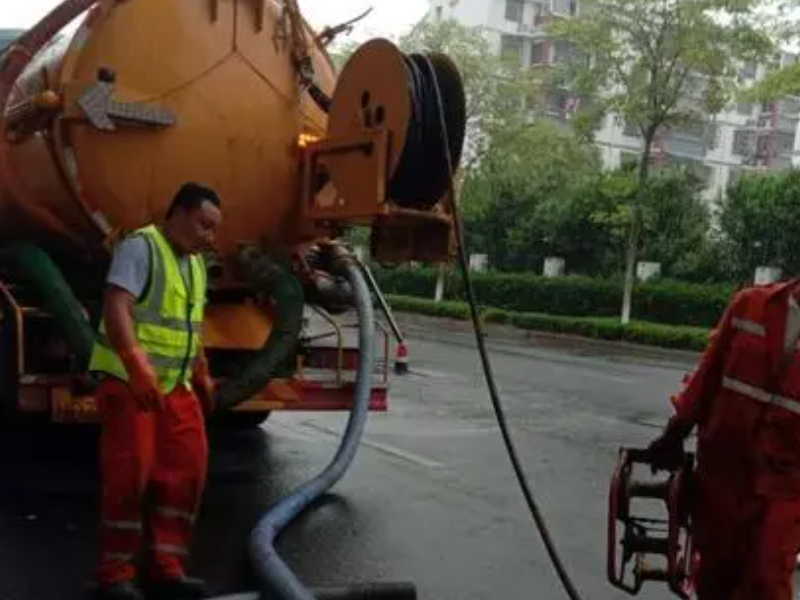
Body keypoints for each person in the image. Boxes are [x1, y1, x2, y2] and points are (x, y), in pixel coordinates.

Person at [88, 183, 222, 600]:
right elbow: (117, 304)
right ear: (177, 214)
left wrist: (200, 369)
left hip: (175, 387)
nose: (209, 236)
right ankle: (116, 575)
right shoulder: (140, 246)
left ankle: (167, 567)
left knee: (187, 473)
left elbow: (190, 323)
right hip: (132, 386)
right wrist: (134, 362)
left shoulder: (196, 263)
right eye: (203, 225)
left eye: (214, 229)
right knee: (130, 478)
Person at [648, 278, 800, 600]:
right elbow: (709, 373)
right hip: (724, 469)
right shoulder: (750, 305)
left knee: (766, 574)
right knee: (716, 572)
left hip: (786, 483)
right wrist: (675, 432)